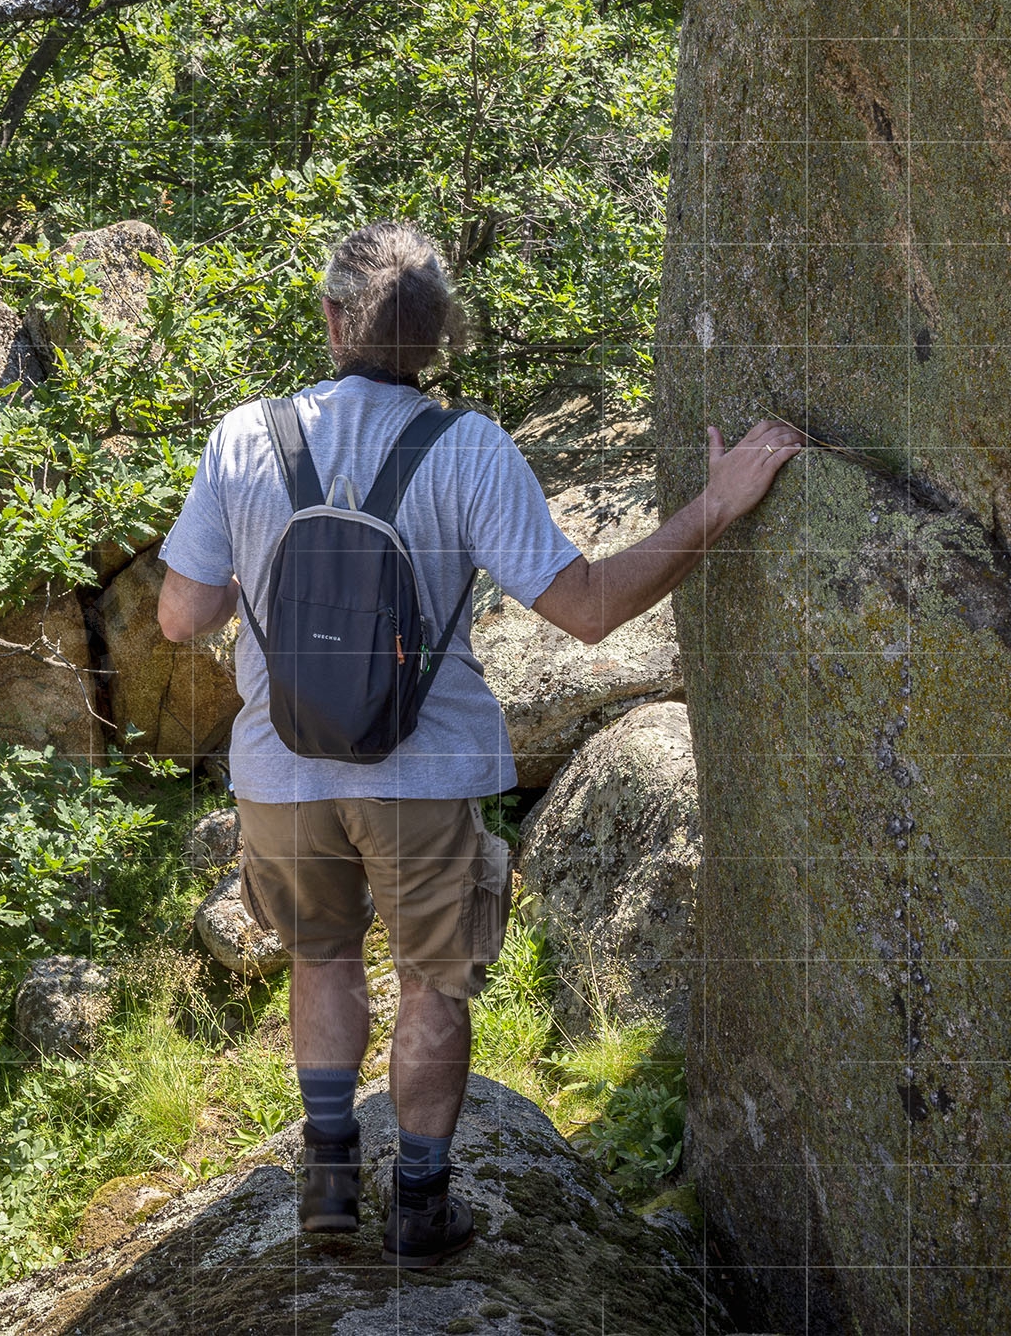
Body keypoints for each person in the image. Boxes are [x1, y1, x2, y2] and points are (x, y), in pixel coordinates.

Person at [155, 220, 802, 1268]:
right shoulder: (467, 447)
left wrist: (260, 561)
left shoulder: (243, 438)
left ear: (328, 320)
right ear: (438, 339)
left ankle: (325, 1177)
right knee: (433, 981)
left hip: (279, 766)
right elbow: (585, 610)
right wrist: (715, 507)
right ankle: (417, 1205)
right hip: (425, 767)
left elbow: (182, 619)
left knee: (318, 955)